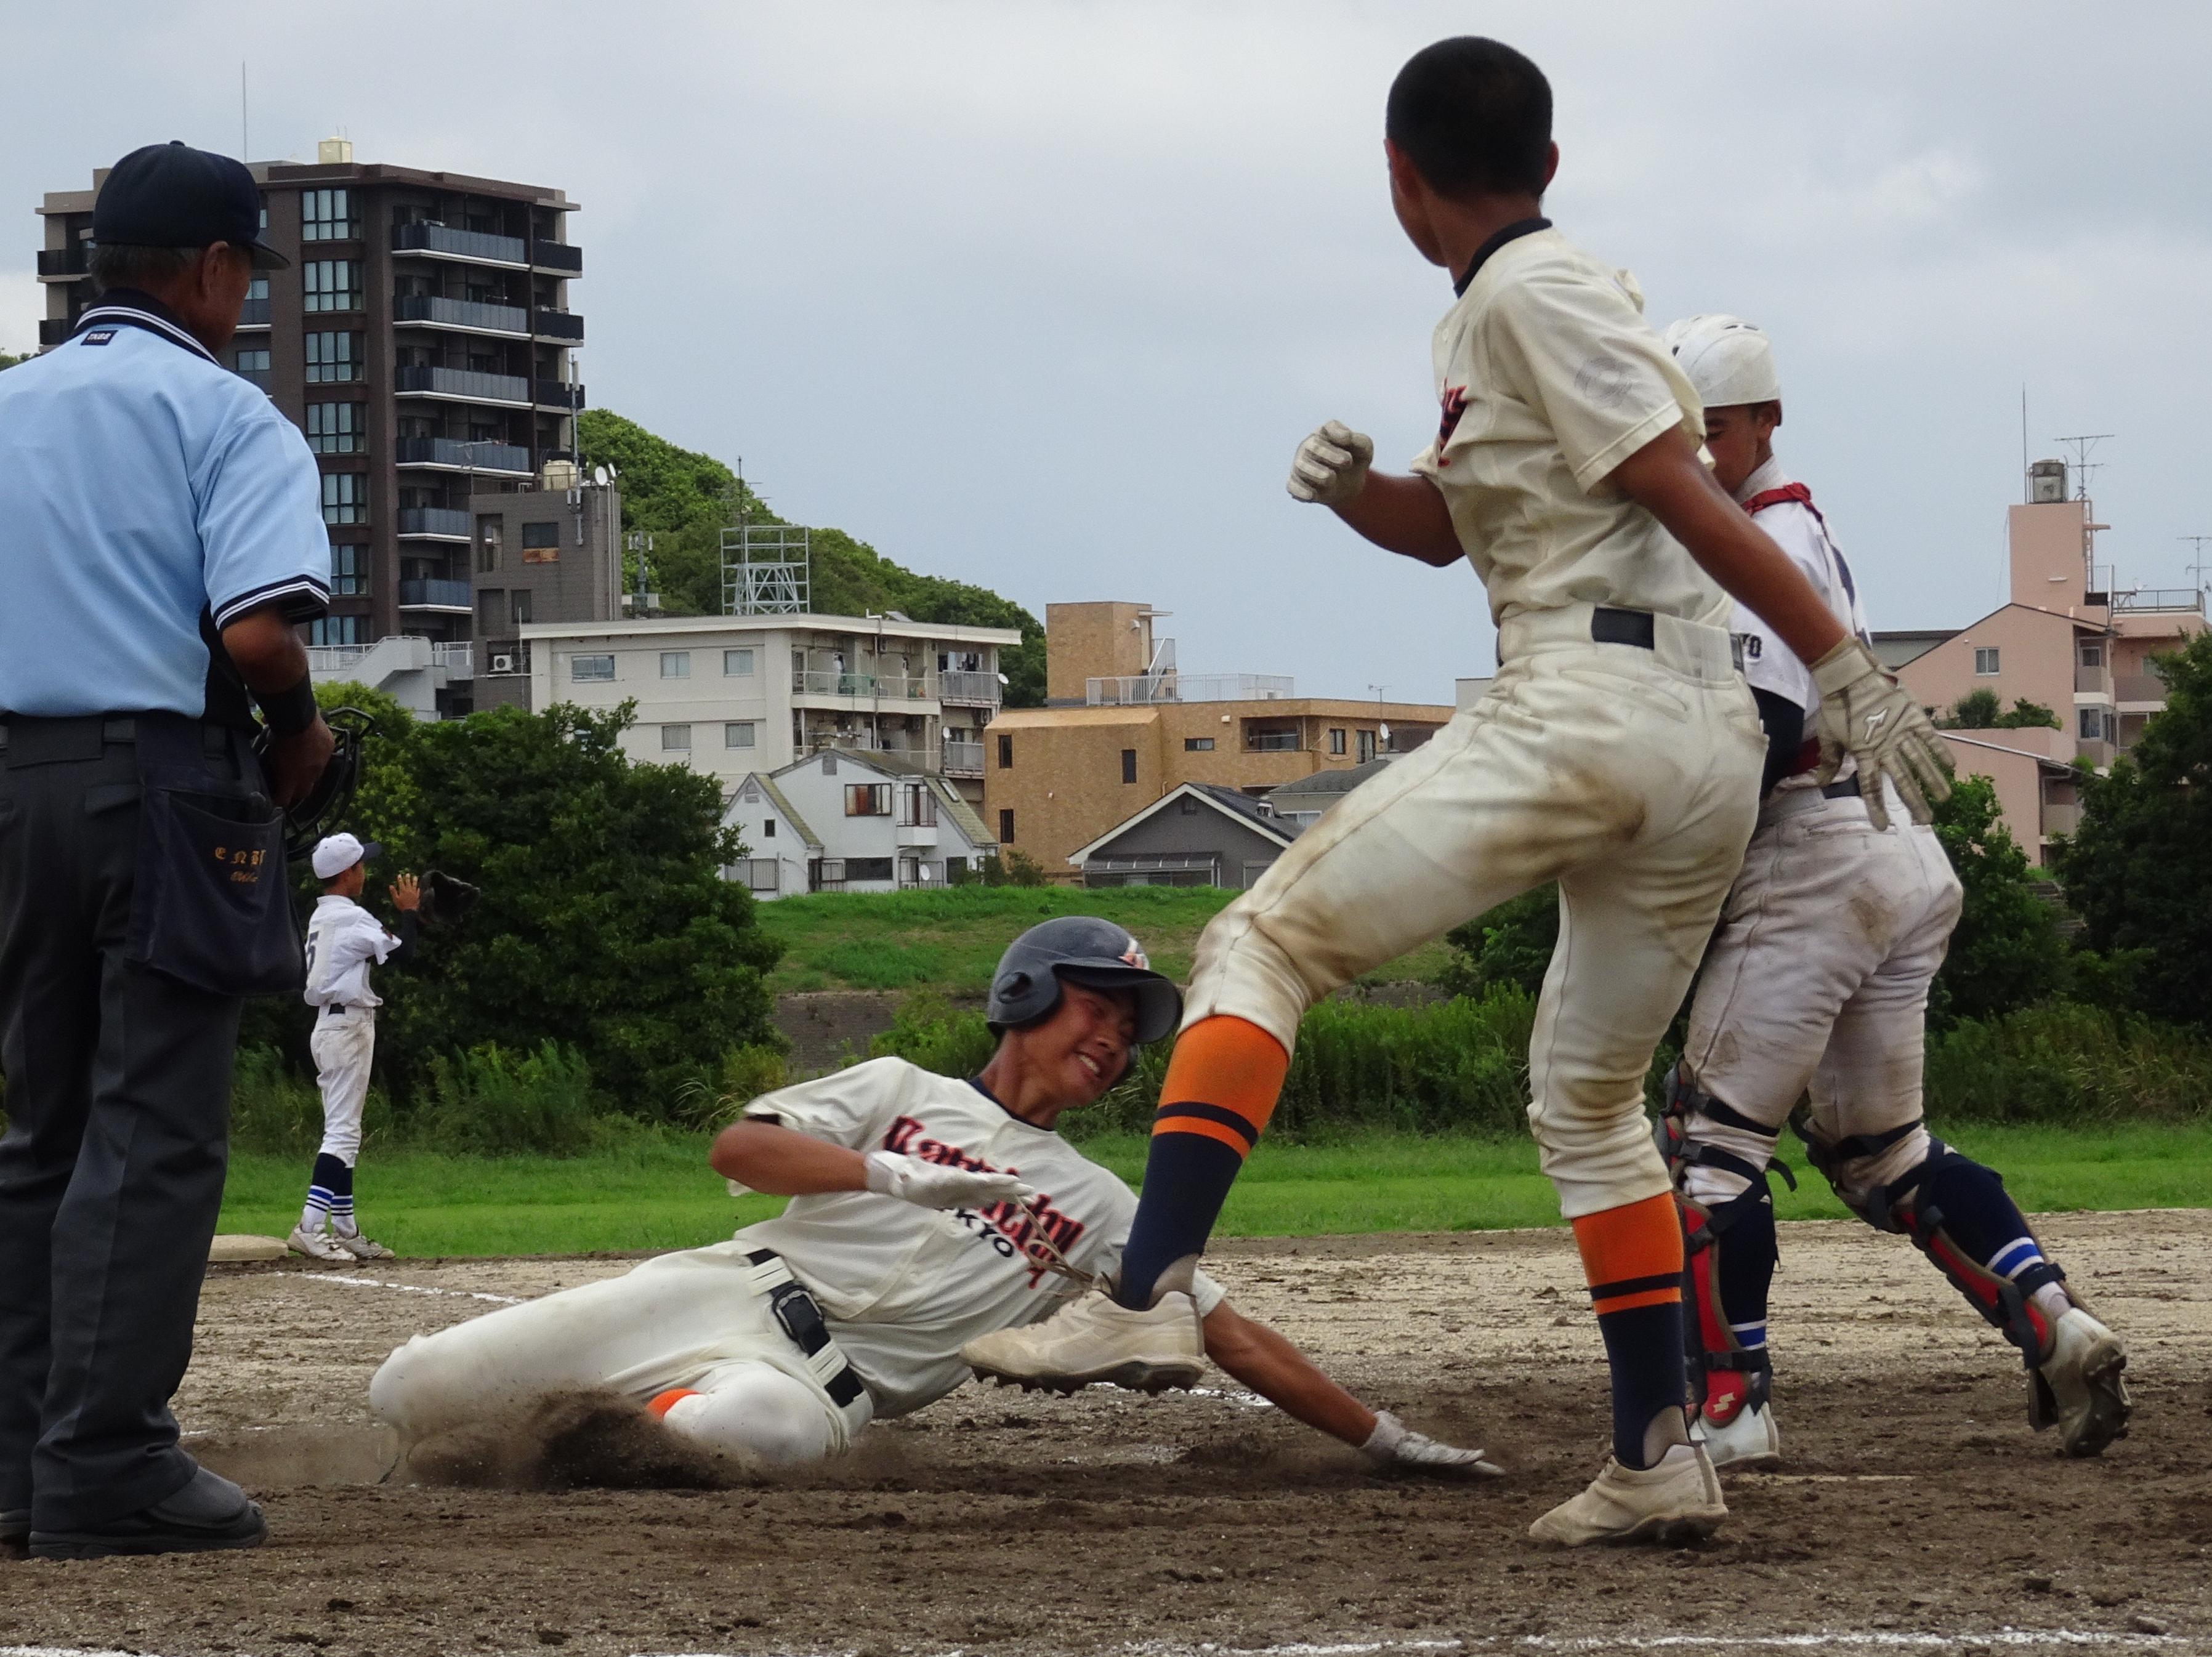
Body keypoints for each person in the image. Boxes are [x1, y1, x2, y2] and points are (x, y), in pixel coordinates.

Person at [959, 38, 1951, 1548]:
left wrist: (1843, 659)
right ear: (1544, 162)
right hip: (1688, 741)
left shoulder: (1522, 292)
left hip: (1593, 699)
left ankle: (1145, 1294)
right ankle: (1655, 1455)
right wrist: (1362, 490)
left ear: (1397, 180)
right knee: (1589, 1099)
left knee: (1259, 947)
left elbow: (1675, 489)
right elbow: (1448, 535)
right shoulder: (1515, 308)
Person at [371, 919, 1499, 1483]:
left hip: (818, 1389)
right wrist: (885, 1168)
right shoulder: (895, 1089)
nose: (1112, 1039)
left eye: (1130, 1028)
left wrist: (1386, 1438)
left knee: (738, 1431)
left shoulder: (1100, 1205)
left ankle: (567, 1447)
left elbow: (1232, 1336)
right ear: (1025, 995)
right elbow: (742, 1148)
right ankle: (526, 1435)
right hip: (719, 1294)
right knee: (407, 1387)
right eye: (1093, 1008)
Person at [1652, 314, 2131, 1473]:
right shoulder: (1782, 525)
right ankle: (2055, 1325)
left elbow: (1763, 729)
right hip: (1889, 850)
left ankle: (1732, 1406)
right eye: (1678, 432)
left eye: (1710, 429)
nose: (1691, 452)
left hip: (1815, 857)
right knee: (1881, 1153)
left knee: (1706, 1152)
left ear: (1765, 421)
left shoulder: (1762, 536)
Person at [0, 141, 334, 1560]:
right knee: (153, 1128)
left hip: (18, 787)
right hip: (161, 784)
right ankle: (110, 1462)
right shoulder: (223, 413)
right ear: (212, 271)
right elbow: (258, 628)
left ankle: (19, 1467)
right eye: (245, 271)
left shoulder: (9, 403)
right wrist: (303, 736)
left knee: (41, 1134)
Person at [288, 833, 421, 1264]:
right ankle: (309, 1226)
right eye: (362, 864)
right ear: (348, 873)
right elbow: (403, 954)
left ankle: (343, 1226)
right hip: (347, 1028)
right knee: (342, 1132)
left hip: (329, 1026)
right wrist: (410, 914)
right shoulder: (350, 916)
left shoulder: (323, 916)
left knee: (345, 1130)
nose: (366, 871)